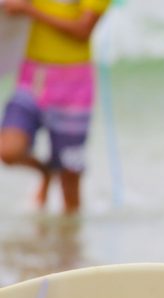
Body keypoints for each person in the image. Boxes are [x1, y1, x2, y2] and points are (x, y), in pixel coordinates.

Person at [0, 0, 110, 213]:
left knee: (70, 185)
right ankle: (46, 171)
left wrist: (30, 11)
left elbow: (83, 30)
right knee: (7, 150)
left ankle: (69, 242)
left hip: (74, 88)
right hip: (31, 78)